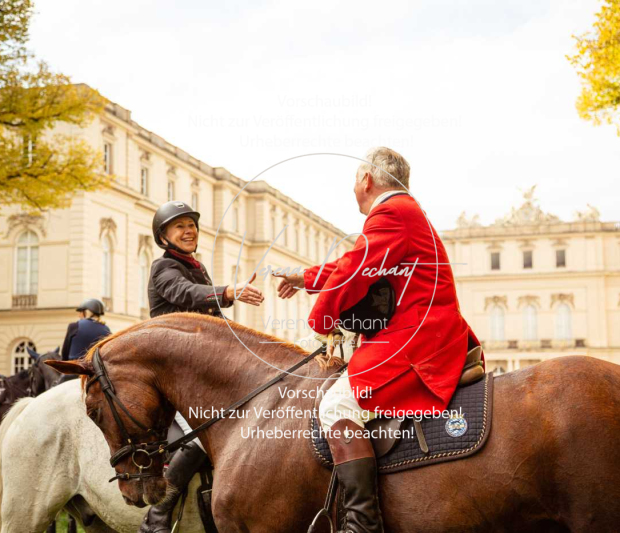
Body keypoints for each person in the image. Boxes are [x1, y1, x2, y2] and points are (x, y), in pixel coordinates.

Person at [276, 147, 481, 533]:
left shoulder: (390, 212)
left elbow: (354, 271)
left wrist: (320, 324)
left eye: (354, 181)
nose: (354, 188)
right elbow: (356, 262)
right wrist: (305, 278)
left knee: (336, 405)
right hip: (422, 328)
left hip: (417, 336)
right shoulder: (404, 210)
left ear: (366, 181)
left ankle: (363, 525)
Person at [140, 201, 263, 533]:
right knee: (201, 432)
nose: (188, 230)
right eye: (179, 226)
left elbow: (213, 322)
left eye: (191, 224)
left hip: (201, 368)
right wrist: (228, 290)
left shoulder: (197, 267)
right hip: (173, 370)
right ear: (164, 236)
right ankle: (158, 514)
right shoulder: (164, 268)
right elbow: (187, 294)